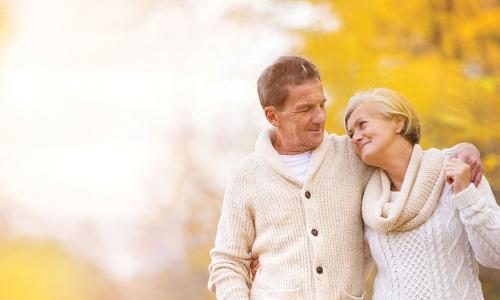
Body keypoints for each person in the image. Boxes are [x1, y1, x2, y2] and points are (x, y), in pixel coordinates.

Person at [208, 56, 482, 300]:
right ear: (272, 116)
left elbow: (410, 161)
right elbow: (228, 260)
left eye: (321, 104)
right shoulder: (247, 174)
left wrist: (462, 151)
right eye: (305, 109)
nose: (320, 117)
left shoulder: (353, 156)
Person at [344, 88, 500, 299]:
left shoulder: (456, 170)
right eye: (351, 134)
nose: (356, 137)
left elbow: (495, 255)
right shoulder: (367, 201)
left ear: (398, 122)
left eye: (362, 124)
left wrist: (466, 195)